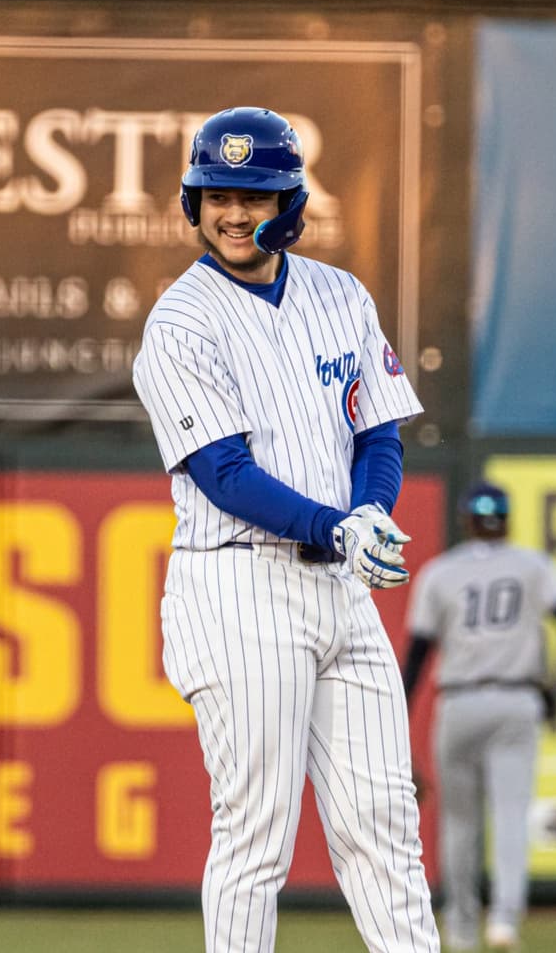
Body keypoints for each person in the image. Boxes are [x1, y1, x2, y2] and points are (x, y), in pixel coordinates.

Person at [131, 106, 440, 952]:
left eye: (254, 193)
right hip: (237, 582)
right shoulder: (181, 323)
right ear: (192, 202)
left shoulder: (341, 295)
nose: (234, 212)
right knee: (257, 832)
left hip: (337, 585)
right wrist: (338, 527)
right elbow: (222, 474)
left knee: (385, 823)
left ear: (291, 202)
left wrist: (369, 513)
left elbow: (377, 432)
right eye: (217, 194)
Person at [401, 482, 556, 952]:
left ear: (467, 520)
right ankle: (504, 922)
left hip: (460, 703)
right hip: (515, 700)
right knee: (510, 816)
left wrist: (398, 720)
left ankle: (462, 929)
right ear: (506, 520)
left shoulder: (440, 573)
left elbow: (417, 656)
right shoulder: (532, 565)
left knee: (459, 823)